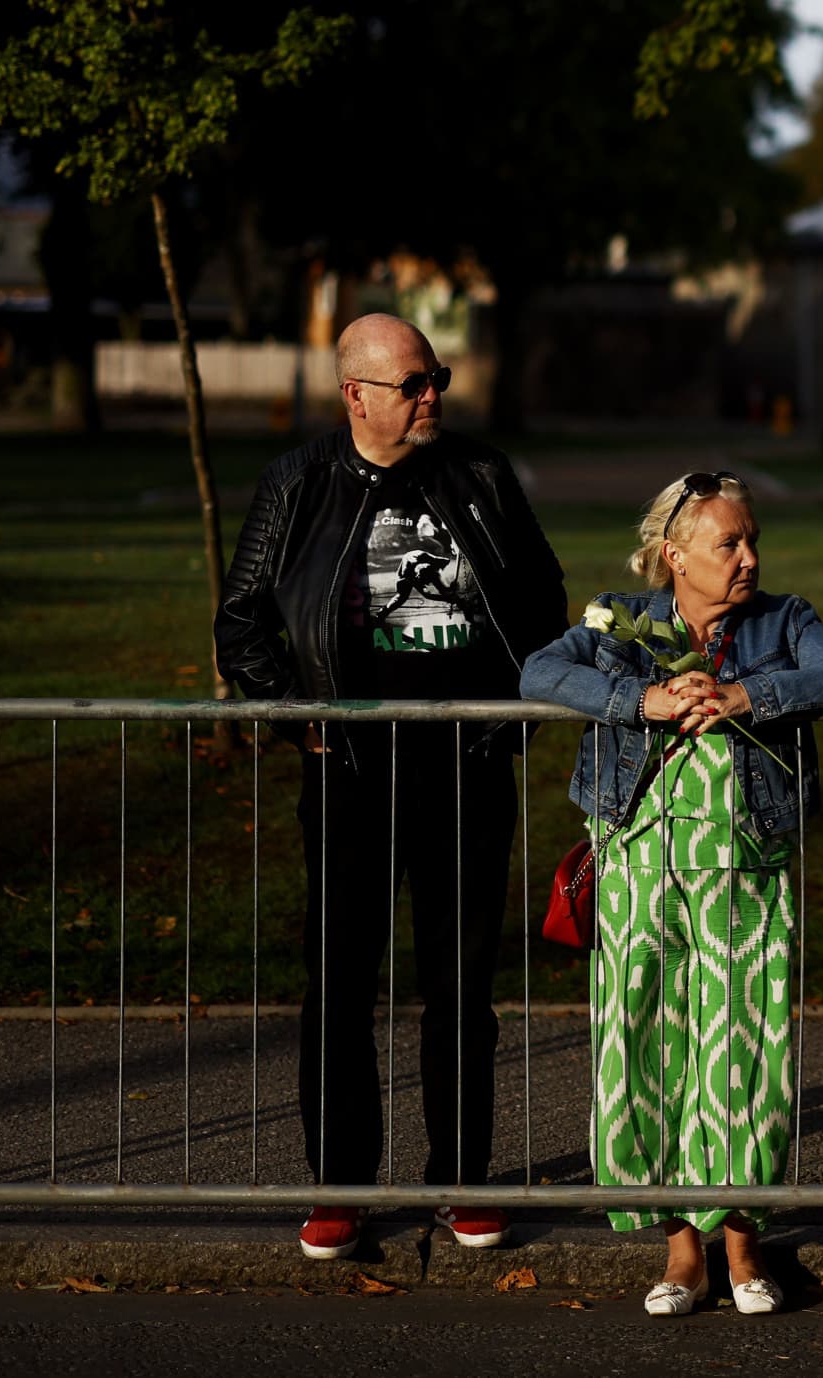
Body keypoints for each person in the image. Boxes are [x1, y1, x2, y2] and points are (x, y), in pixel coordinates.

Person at [214, 313, 568, 1260]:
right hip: (349, 777)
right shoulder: (299, 480)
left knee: (460, 988)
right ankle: (339, 1187)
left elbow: (541, 601)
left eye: (436, 377)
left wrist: (505, 722)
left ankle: (461, 1181)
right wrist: (305, 722)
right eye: (413, 382)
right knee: (339, 986)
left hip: (465, 772)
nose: (432, 397)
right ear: (355, 394)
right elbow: (242, 623)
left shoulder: (482, 475)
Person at [521, 472, 823, 1318]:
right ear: (674, 556)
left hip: (744, 873)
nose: (749, 558)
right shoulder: (619, 622)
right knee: (646, 1048)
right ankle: (681, 1249)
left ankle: (745, 1241)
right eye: (729, 544)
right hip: (640, 875)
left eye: (752, 540)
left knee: (745, 1051)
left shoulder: (783, 622)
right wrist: (635, 699)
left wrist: (750, 694)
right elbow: (539, 671)